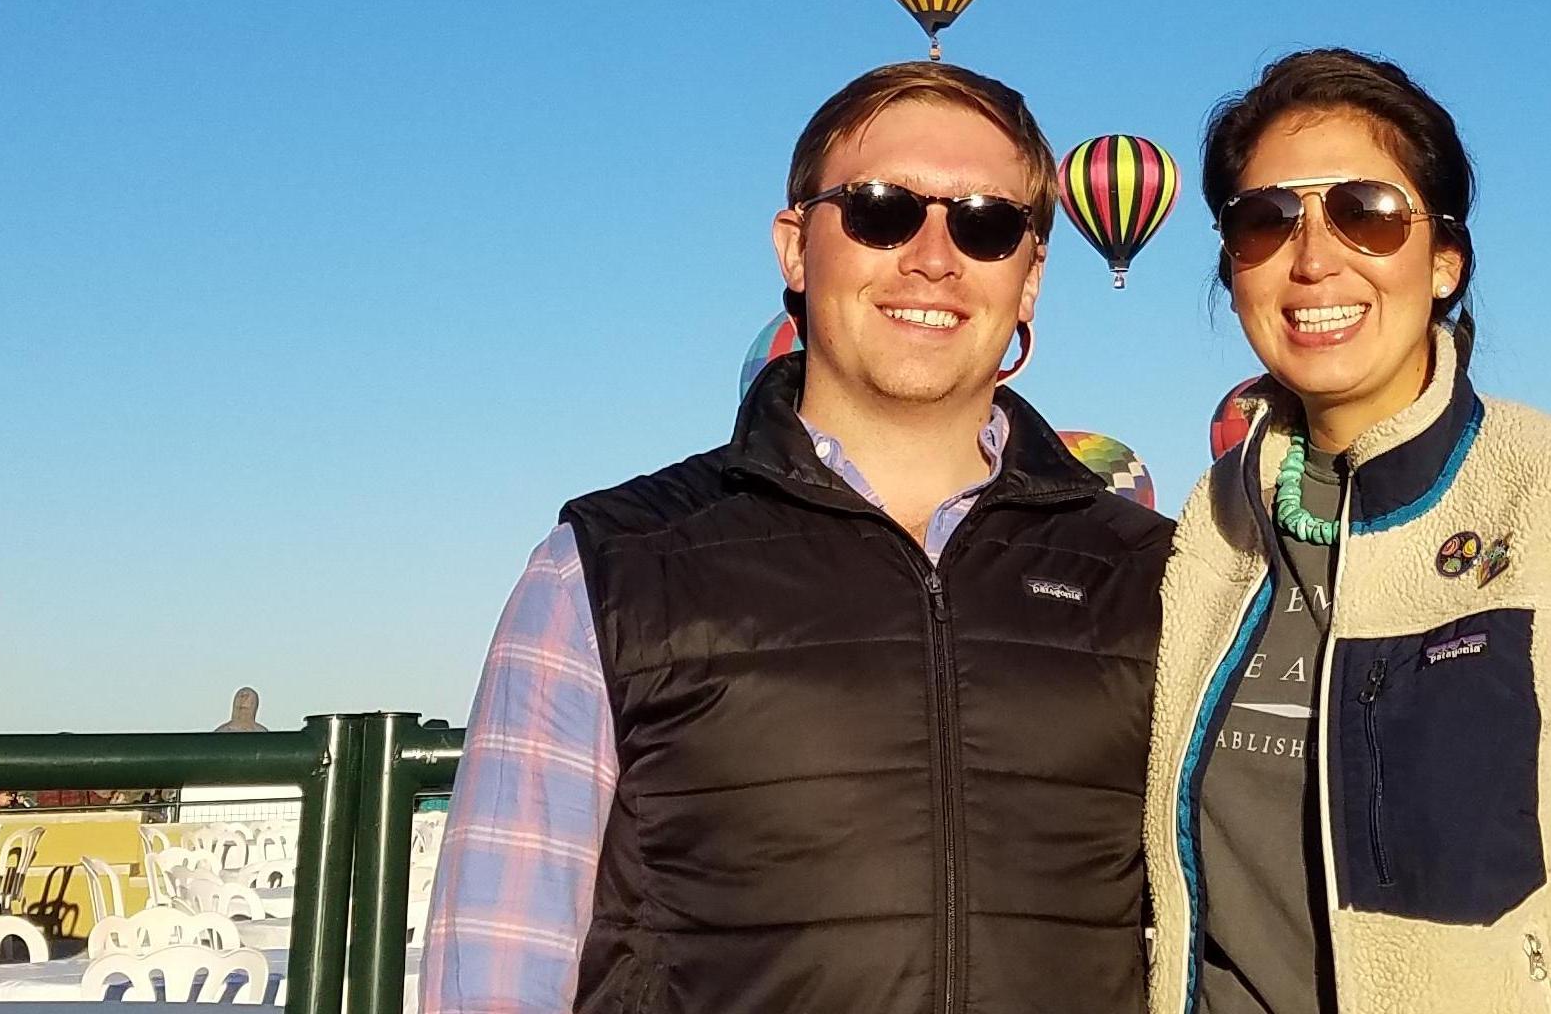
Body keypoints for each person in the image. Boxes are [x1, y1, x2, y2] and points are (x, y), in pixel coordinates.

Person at [423, 60, 1171, 1014]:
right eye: (878, 209)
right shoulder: (607, 568)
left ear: (1030, 278)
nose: (934, 256)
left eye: (986, 223)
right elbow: (499, 965)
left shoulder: (1154, 573)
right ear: (794, 246)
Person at [1143, 46, 1551, 1014]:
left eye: (1367, 212)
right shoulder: (1215, 521)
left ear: (1444, 259)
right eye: (1264, 220)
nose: (1313, 257)